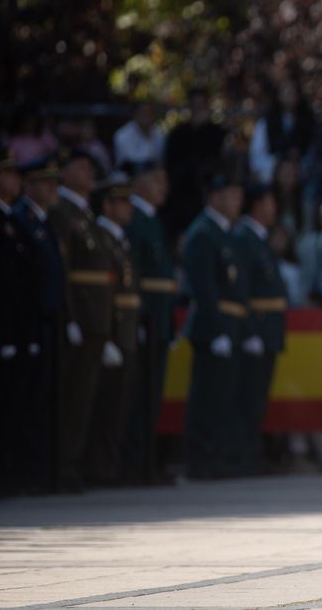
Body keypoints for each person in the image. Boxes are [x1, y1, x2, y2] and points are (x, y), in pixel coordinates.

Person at [48, 148, 114, 492]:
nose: (89, 172)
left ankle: (78, 462)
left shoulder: (84, 214)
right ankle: (65, 465)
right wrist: (71, 316)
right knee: (72, 398)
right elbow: (65, 269)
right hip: (82, 316)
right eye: (82, 166)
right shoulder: (62, 211)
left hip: (96, 318)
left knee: (86, 399)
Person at [181, 174, 247, 479]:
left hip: (228, 325)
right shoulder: (203, 233)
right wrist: (218, 329)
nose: (237, 202)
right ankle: (199, 458)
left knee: (223, 396)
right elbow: (204, 287)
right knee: (206, 396)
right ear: (214, 198)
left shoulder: (224, 233)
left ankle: (215, 455)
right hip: (211, 326)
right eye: (231, 195)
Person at [121, 160, 176, 484]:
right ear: (139, 183)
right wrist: (139, 319)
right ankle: (134, 462)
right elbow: (135, 275)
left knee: (152, 393)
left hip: (158, 318)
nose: (162, 187)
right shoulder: (135, 220)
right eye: (156, 180)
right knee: (138, 395)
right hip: (144, 318)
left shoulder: (152, 220)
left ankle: (146, 460)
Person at [11, 156, 64, 493]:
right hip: (29, 322)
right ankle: (21, 471)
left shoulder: (45, 221)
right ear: (29, 185)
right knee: (23, 403)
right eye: (45, 182)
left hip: (49, 319)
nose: (52, 188)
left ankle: (40, 471)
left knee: (45, 401)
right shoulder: (22, 220)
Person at [86, 172, 138, 486]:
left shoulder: (118, 238)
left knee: (119, 404)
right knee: (103, 404)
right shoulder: (102, 237)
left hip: (126, 331)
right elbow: (103, 292)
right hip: (112, 331)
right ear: (106, 206)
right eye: (122, 202)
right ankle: (96, 466)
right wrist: (108, 335)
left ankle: (109, 464)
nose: (128, 208)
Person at [235, 184, 288, 474]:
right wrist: (250, 330)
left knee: (257, 398)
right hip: (257, 326)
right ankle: (242, 454)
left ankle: (250, 453)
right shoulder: (245, 237)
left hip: (269, 328)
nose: (273, 209)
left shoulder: (258, 237)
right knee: (247, 397)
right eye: (268, 202)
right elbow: (242, 290)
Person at [0, 151, 34, 494]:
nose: (16, 181)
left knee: (14, 404)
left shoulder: (13, 220)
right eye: (8, 175)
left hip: (16, 326)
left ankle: (9, 471)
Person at [163, 90, 227, 243]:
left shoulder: (217, 133)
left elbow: (218, 162)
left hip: (209, 193)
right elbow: (172, 166)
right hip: (182, 195)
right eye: (195, 106)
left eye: (202, 106)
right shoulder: (177, 134)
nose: (199, 110)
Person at [250, 75, 315, 184]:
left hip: (301, 173)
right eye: (285, 92)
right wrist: (279, 163)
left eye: (292, 93)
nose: (289, 96)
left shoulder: (308, 121)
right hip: (271, 171)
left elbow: (312, 150)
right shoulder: (266, 122)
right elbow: (257, 154)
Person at [113, 100, 166, 168]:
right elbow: (130, 162)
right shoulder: (122, 135)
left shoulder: (159, 134)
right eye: (143, 112)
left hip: (154, 174)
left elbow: (161, 160)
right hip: (128, 175)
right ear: (135, 114)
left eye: (149, 113)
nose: (146, 116)